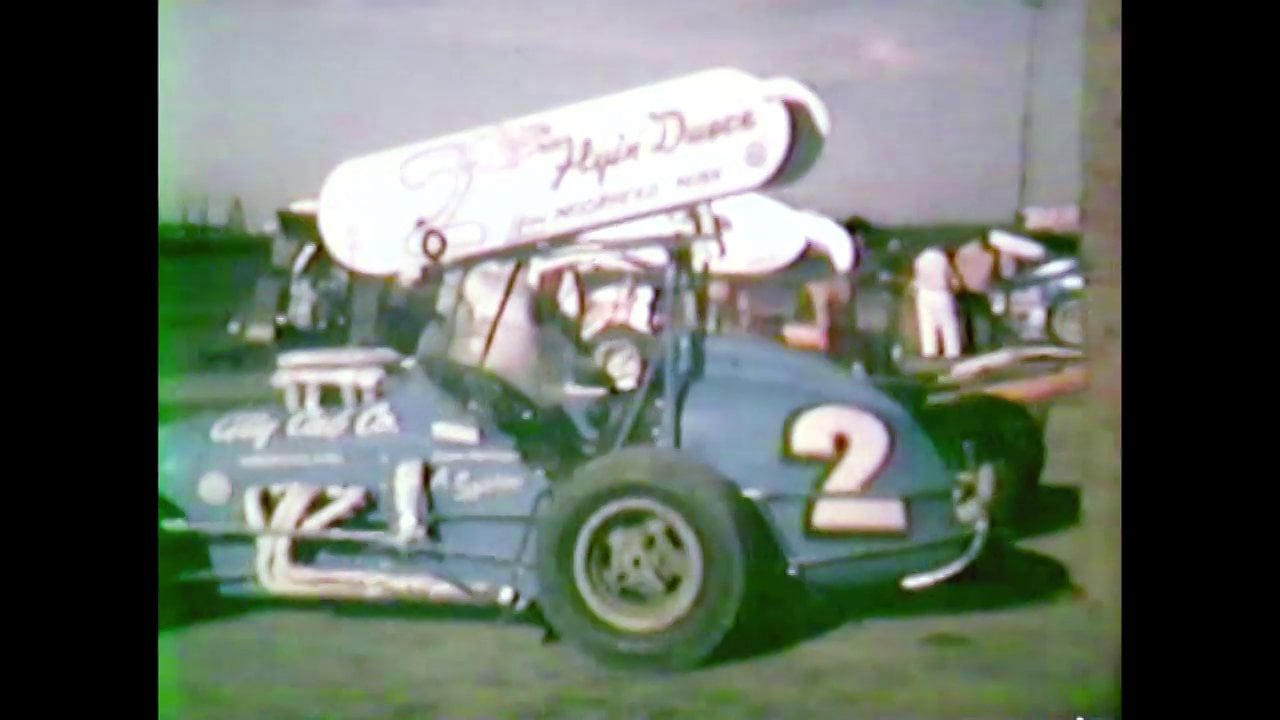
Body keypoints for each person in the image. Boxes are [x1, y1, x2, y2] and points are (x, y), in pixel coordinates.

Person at [911, 246, 962, 359]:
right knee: (948, 324)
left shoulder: (920, 259)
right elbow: (950, 276)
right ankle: (952, 351)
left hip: (923, 293)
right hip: (941, 293)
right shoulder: (942, 259)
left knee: (927, 324)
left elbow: (917, 276)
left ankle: (929, 351)